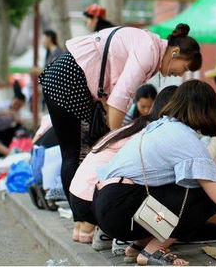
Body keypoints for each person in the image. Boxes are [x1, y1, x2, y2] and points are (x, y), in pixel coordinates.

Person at [93, 80, 216, 265]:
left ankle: (138, 247)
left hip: (107, 206)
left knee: (198, 187)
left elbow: (208, 170)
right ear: (206, 110)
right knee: (205, 198)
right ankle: (152, 252)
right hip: (122, 209)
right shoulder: (187, 140)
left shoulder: (166, 127)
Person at [38, 23, 202, 209]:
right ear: (175, 53)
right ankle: (80, 217)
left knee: (81, 153)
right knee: (74, 154)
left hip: (71, 77)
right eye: (185, 67)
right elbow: (120, 97)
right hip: (69, 78)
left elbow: (117, 94)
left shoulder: (151, 49)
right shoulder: (148, 51)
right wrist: (115, 141)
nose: (181, 74)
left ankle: (83, 217)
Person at [69, 86, 177, 244]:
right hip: (96, 202)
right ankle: (122, 238)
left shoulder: (135, 125)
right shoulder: (153, 132)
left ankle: (91, 229)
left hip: (76, 195)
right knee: (165, 194)